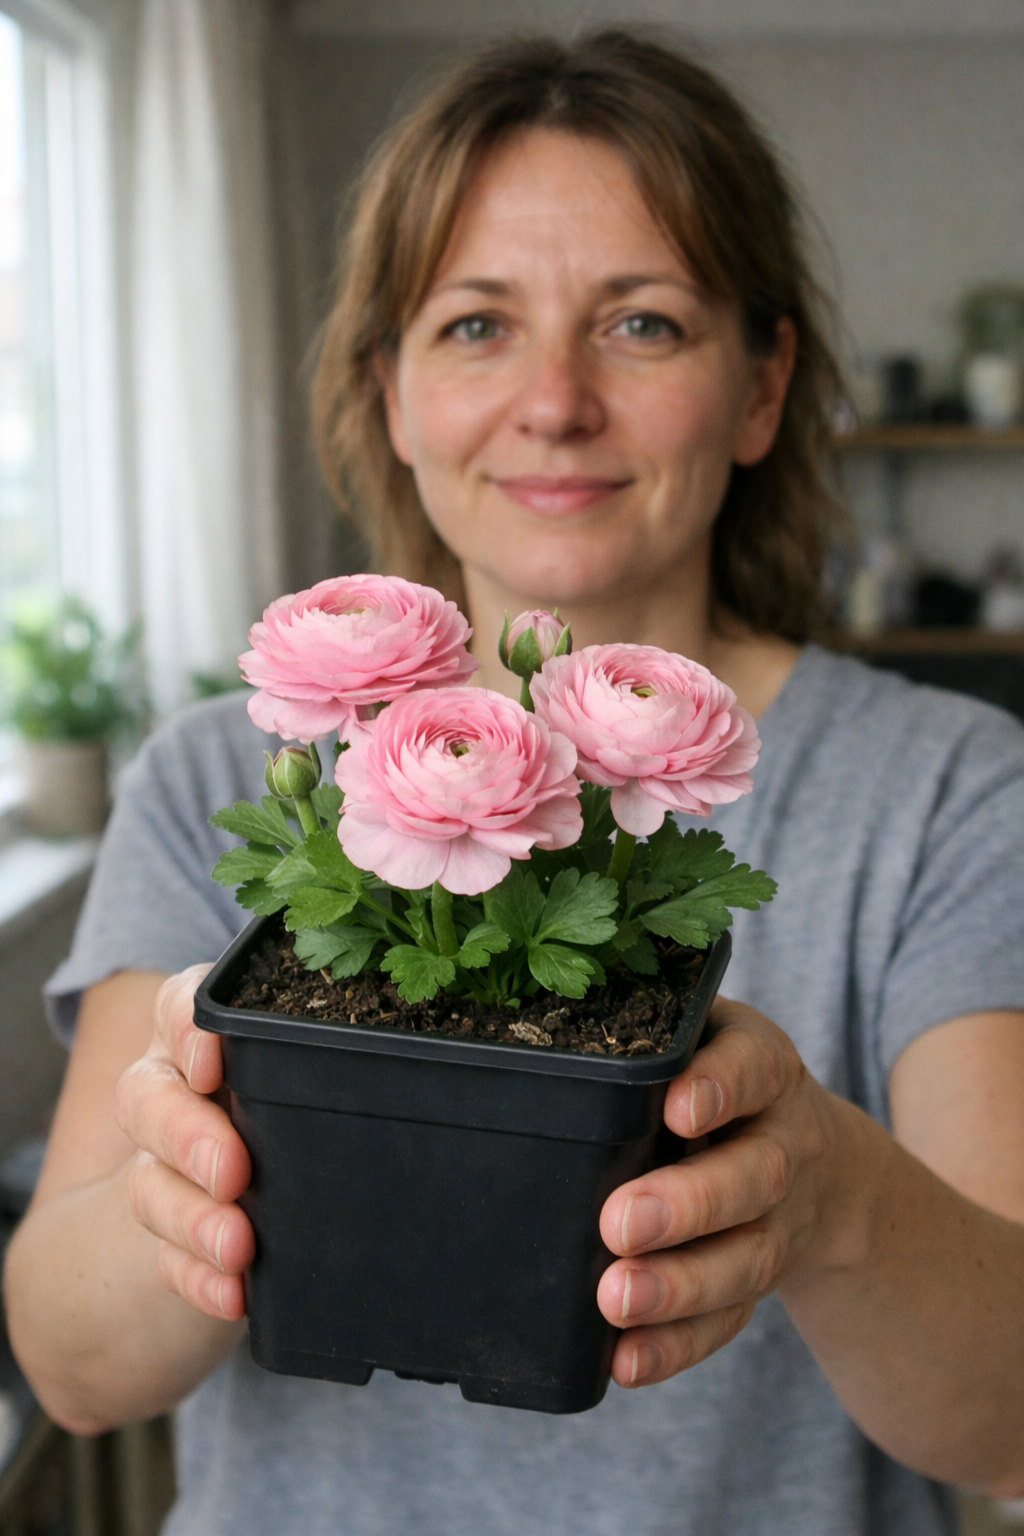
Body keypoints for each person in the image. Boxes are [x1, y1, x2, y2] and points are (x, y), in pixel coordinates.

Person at [5, 30, 1024, 1536]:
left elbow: (1011, 1429)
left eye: (643, 323)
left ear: (763, 387)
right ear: (393, 393)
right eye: (477, 325)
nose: (554, 400)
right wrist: (184, 1192)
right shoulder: (220, 775)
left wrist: (833, 1197)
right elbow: (70, 1369)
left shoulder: (948, 793)